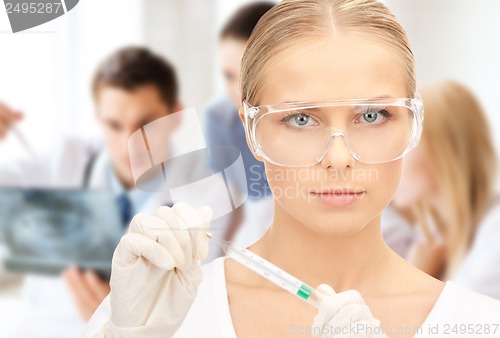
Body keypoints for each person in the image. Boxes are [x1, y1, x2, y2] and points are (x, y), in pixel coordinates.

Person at [84, 1, 500, 337]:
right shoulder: (158, 311)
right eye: (301, 119)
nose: (339, 159)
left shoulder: (481, 324)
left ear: (413, 123)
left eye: (372, 115)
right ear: (251, 131)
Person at [0, 47, 181, 333]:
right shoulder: (63, 163)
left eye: (145, 125)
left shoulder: (207, 202)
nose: (128, 142)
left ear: (176, 116)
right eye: (113, 125)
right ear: (98, 119)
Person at [383, 80, 500, 299]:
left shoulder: (495, 233)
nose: (387, 161)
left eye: (401, 146)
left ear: (440, 152)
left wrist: (418, 278)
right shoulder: (430, 233)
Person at [204, 2, 275, 248]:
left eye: (247, 75)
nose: (237, 90)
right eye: (228, 76)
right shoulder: (219, 119)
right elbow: (229, 203)